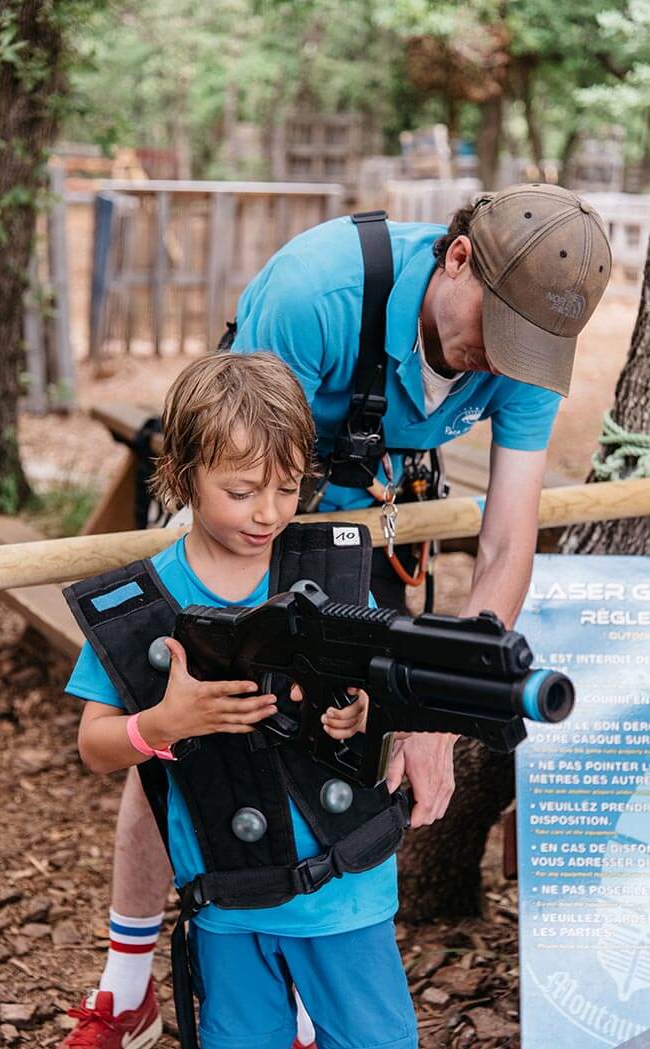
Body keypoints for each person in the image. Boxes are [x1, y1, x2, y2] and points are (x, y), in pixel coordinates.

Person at [59, 183, 612, 1046]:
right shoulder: (317, 294)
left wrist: (433, 712)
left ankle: (315, 992)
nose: (501, 365)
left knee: (341, 725)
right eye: (492, 337)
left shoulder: (527, 351)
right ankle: (127, 981)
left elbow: (507, 544)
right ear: (457, 259)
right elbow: (242, 448)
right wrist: (250, 535)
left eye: (526, 353)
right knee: (185, 739)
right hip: (254, 495)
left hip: (366, 523)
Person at [63, 352, 417, 1049]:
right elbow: (92, 743)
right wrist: (161, 724)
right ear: (185, 473)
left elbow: (387, 680)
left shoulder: (333, 573)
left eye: (287, 488)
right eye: (244, 489)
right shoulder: (143, 605)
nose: (269, 512)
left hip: (344, 901)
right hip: (228, 900)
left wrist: (369, 715)